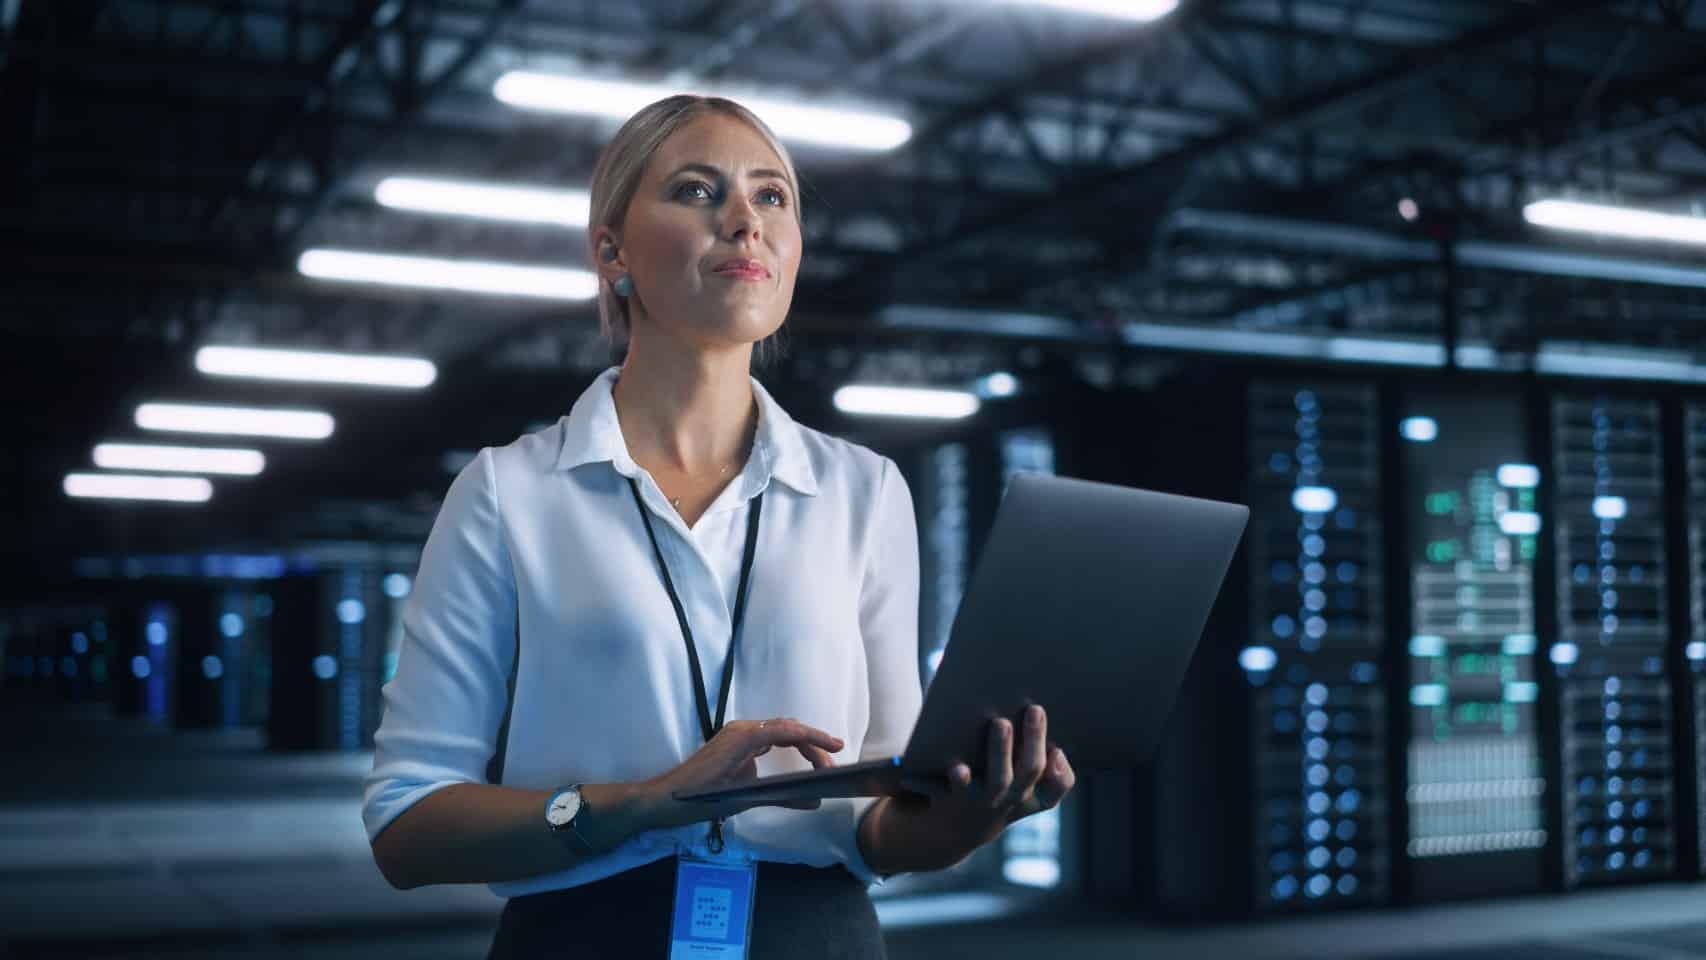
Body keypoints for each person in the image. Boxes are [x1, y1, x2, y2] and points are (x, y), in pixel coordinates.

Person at [361, 95, 1076, 959]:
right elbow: (407, 826)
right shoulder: (510, 493)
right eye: (699, 192)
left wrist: (970, 816)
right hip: (584, 938)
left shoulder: (863, 490)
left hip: (819, 937)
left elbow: (881, 824)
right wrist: (645, 802)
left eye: (773, 197)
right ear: (612, 252)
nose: (745, 221)